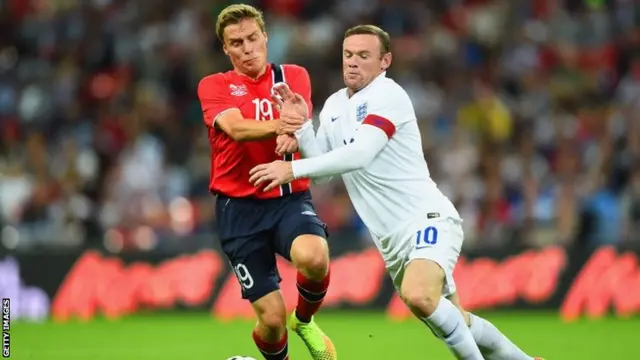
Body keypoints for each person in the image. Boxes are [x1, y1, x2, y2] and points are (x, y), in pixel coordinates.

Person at [250, 24, 544, 360]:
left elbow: (361, 154)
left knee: (419, 295)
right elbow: (324, 174)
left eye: (364, 55)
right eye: (348, 55)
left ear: (384, 60)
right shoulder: (333, 106)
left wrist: (292, 168)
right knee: (456, 320)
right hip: (392, 242)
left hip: (426, 218)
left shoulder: (388, 96)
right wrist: (303, 127)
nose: (353, 62)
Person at [197, 4, 336, 360]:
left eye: (252, 38)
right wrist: (286, 126)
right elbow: (237, 128)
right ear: (225, 49)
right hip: (238, 210)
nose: (247, 49)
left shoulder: (293, 76)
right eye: (237, 42)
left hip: (287, 197)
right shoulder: (215, 85)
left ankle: (305, 321)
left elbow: (299, 119)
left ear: (266, 37)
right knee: (271, 319)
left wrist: (296, 129)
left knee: (314, 257)